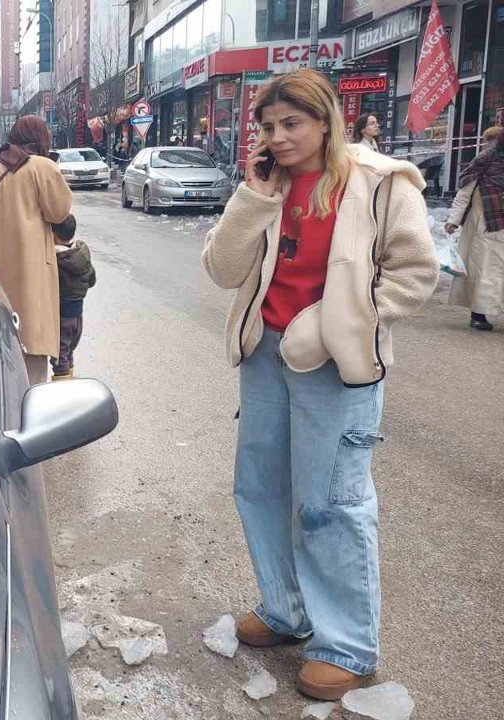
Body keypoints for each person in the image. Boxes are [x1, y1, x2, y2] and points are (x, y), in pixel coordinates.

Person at [201, 69, 437, 701]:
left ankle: (347, 645)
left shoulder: (382, 184)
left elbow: (416, 272)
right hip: (265, 356)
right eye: (268, 127)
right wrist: (251, 197)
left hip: (337, 364)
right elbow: (224, 269)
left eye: (291, 124)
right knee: (260, 486)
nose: (277, 138)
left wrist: (344, 321)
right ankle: (285, 611)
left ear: (327, 120)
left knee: (330, 500)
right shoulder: (267, 186)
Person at [0, 115, 73, 385]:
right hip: (31, 281)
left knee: (1, 364)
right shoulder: (42, 167)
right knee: (32, 363)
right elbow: (59, 211)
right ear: (41, 139)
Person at [445, 125, 504, 331]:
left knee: (496, 272)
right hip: (484, 224)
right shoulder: (485, 160)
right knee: (484, 271)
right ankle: (478, 314)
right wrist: (453, 219)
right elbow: (464, 192)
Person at [51, 214, 95, 379]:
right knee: (68, 351)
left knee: (59, 354)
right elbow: (92, 280)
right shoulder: (81, 255)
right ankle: (69, 379)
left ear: (53, 234)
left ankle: (62, 388)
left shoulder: (56, 259)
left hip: (62, 316)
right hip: (77, 315)